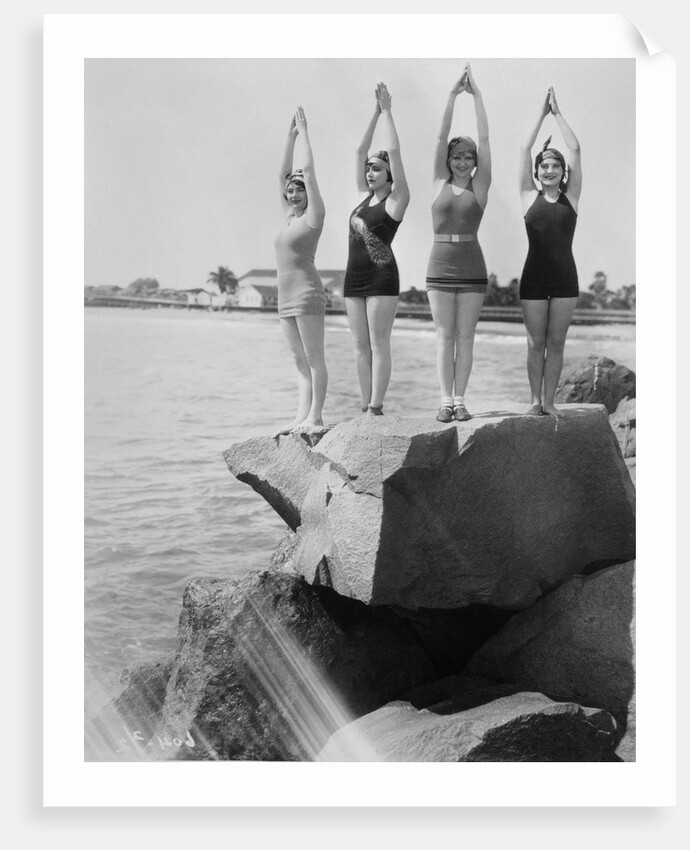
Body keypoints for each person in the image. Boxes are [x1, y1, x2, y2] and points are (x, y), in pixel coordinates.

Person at [425, 62, 491, 423]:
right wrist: (452, 95)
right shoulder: (438, 181)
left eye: (468, 158)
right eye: (457, 157)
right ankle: (444, 401)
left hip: (472, 266)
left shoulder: (480, 186)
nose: (463, 162)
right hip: (439, 264)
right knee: (443, 336)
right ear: (448, 161)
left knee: (465, 336)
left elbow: (486, 140)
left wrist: (477, 97)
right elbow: (439, 138)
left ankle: (461, 400)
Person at [344, 82, 410, 416]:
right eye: (369, 169)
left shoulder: (397, 201)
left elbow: (395, 154)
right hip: (353, 279)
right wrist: (373, 112)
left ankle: (376, 406)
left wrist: (388, 113)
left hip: (382, 280)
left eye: (376, 169)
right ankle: (364, 403)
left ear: (389, 175)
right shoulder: (362, 197)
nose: (369, 172)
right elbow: (359, 152)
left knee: (377, 344)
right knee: (359, 346)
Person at [518, 87, 582, 417]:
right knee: (534, 343)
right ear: (537, 170)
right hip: (533, 279)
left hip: (564, 279)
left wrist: (558, 113)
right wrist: (541, 115)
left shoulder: (572, 197)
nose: (550, 170)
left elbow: (575, 148)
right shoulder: (529, 196)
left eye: (555, 165)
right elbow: (525, 148)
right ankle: (533, 401)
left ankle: (550, 402)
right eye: (544, 165)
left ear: (563, 171)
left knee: (556, 343)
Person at [273, 106, 328, 436]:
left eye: (299, 189)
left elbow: (306, 169)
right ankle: (301, 416)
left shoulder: (313, 217)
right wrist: (289, 136)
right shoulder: (290, 218)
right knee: (298, 360)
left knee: (314, 357)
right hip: (285, 297)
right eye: (291, 191)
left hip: (307, 294)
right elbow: (282, 175)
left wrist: (305, 132)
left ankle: (316, 417)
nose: (293, 194)